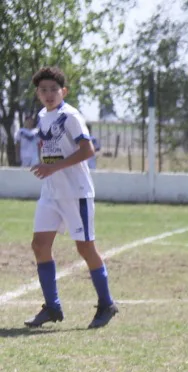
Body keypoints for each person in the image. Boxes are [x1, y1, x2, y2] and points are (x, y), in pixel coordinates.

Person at [23, 66, 118, 330]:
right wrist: (47, 167)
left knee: (85, 249)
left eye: (54, 89)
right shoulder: (43, 116)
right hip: (51, 193)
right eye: (44, 90)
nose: (49, 94)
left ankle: (107, 304)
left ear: (63, 91)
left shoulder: (71, 116)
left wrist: (53, 167)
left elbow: (88, 150)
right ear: (37, 93)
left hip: (76, 193)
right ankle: (52, 307)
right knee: (39, 245)